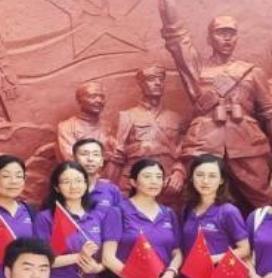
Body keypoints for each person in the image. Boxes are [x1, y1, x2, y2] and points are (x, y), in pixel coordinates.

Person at [157, 0, 272, 207]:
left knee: (264, 198)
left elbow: (270, 112)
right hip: (204, 140)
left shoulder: (252, 72)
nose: (227, 38)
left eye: (231, 34)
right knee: (192, 200)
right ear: (209, 38)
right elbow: (176, 32)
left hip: (247, 142)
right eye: (221, 33)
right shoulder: (197, 69)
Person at [100, 159, 183, 278]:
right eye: (147, 176)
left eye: (158, 177)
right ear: (133, 182)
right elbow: (108, 258)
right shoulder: (118, 211)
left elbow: (177, 252)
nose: (154, 181)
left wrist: (170, 273)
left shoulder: (168, 214)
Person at [178, 154, 249, 278]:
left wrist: (213, 258)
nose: (205, 181)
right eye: (200, 175)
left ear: (221, 180)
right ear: (192, 178)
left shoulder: (228, 211)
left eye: (212, 176)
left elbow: (245, 248)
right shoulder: (188, 209)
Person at [112, 66, 187, 203]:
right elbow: (116, 157)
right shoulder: (126, 116)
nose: (158, 83)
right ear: (141, 83)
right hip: (133, 186)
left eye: (161, 79)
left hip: (167, 187)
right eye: (151, 79)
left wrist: (179, 173)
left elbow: (185, 154)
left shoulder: (176, 118)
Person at [34, 161, 105, 278]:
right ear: (57, 187)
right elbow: (41, 259)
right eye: (66, 182)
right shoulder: (46, 218)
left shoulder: (97, 216)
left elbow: (107, 257)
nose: (73, 186)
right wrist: (79, 257)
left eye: (78, 181)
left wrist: (97, 268)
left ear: (86, 184)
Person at [56, 81, 116, 169]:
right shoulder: (66, 127)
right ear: (80, 101)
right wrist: (105, 158)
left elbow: (117, 154)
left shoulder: (108, 126)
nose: (99, 100)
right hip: (79, 175)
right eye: (93, 96)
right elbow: (70, 158)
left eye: (102, 97)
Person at [72, 137, 124, 213]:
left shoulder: (111, 190)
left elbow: (121, 216)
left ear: (102, 161)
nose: (90, 159)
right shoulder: (66, 189)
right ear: (74, 159)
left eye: (95, 154)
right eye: (84, 154)